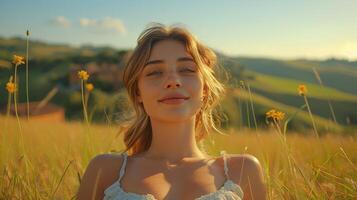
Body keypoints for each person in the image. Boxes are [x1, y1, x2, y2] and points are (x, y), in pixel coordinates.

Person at [77, 23, 266, 200]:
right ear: (137, 92)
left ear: (205, 89)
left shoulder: (242, 171)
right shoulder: (104, 170)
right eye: (155, 72)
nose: (173, 80)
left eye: (186, 69)